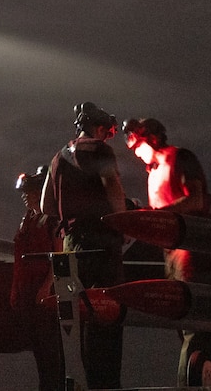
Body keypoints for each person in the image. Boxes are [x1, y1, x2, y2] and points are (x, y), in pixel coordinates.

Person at [123, 117, 211, 385]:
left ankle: (188, 383)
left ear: (152, 138)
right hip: (171, 258)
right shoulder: (153, 172)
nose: (137, 154)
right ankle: (209, 379)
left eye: (139, 146)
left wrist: (156, 216)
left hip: (193, 254)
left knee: (194, 324)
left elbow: (196, 199)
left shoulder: (181, 158)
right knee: (184, 325)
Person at [40, 101, 127, 389]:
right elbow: (111, 185)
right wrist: (123, 223)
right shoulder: (100, 150)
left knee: (75, 324)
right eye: (108, 131)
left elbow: (45, 206)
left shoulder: (58, 158)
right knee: (106, 318)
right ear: (99, 127)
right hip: (101, 245)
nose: (107, 137)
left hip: (71, 248)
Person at [11, 167, 63, 391]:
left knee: (51, 348)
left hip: (45, 292)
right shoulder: (28, 220)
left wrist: (47, 286)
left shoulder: (52, 220)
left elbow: (59, 256)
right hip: (28, 291)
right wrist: (16, 289)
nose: (25, 195)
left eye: (30, 191)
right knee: (38, 348)